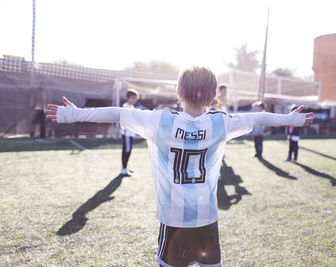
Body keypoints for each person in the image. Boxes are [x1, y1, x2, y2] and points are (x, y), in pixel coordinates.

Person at [45, 66, 313, 267]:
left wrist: (74, 113)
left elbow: (116, 113)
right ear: (211, 97)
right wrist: (293, 119)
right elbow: (259, 117)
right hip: (207, 220)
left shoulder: (160, 121)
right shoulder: (220, 122)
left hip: (174, 222)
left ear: (178, 93)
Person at [120, 90, 139, 176]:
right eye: (132, 98)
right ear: (127, 98)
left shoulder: (131, 107)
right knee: (127, 151)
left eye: (135, 98)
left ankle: (125, 167)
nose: (134, 100)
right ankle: (123, 169)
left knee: (128, 151)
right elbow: (127, 120)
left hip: (130, 133)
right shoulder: (126, 107)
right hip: (126, 134)